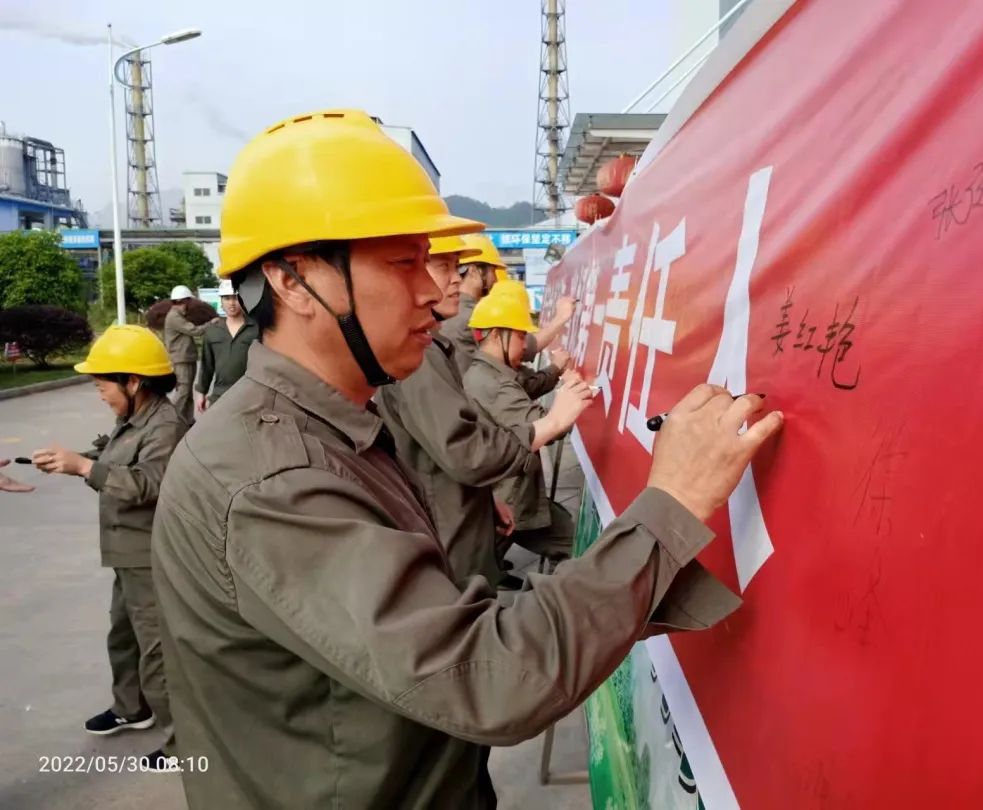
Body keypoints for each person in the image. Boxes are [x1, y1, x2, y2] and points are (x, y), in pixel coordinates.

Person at [151, 109, 783, 810]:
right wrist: (669, 508)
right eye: (402, 263)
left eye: (434, 261)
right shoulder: (272, 478)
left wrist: (651, 575)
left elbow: (440, 618)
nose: (434, 290)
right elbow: (487, 676)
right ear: (294, 281)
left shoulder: (332, 426)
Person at [374, 234, 590, 589]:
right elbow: (468, 453)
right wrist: (551, 422)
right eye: (444, 265)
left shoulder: (433, 348)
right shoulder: (421, 356)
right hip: (451, 530)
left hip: (465, 512)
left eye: (457, 267)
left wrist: (486, 497)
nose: (457, 277)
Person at [31, 325, 186, 770]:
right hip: (125, 553)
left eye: (103, 384)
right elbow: (113, 460)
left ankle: (184, 744)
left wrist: (84, 467)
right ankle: (131, 708)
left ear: (134, 382)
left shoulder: (166, 426)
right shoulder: (132, 420)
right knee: (123, 636)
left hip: (150, 554)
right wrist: (71, 463)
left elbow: (150, 483)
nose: (99, 393)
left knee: (157, 650)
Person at [462, 291, 587, 567]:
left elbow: (528, 388)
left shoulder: (491, 373)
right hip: (509, 499)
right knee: (573, 543)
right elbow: (545, 427)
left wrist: (555, 374)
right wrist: (572, 395)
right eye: (521, 337)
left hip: (506, 497)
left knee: (481, 568)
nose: (526, 346)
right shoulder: (492, 384)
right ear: (496, 335)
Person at [442, 235, 576, 393]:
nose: (494, 279)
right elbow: (526, 347)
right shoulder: (473, 315)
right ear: (474, 271)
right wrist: (561, 318)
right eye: (492, 271)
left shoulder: (452, 311)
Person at [194, 279, 258, 413]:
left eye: (235, 298)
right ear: (221, 301)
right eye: (227, 298)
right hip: (219, 396)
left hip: (250, 395)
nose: (232, 303)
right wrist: (202, 393)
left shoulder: (256, 329)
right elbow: (206, 366)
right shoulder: (212, 331)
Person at [163, 284, 211, 423]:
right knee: (183, 392)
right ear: (184, 301)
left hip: (186, 358)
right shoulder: (174, 317)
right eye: (189, 301)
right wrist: (211, 323)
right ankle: (171, 421)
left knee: (187, 392)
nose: (190, 304)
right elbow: (195, 331)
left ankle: (187, 420)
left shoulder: (177, 315)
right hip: (181, 359)